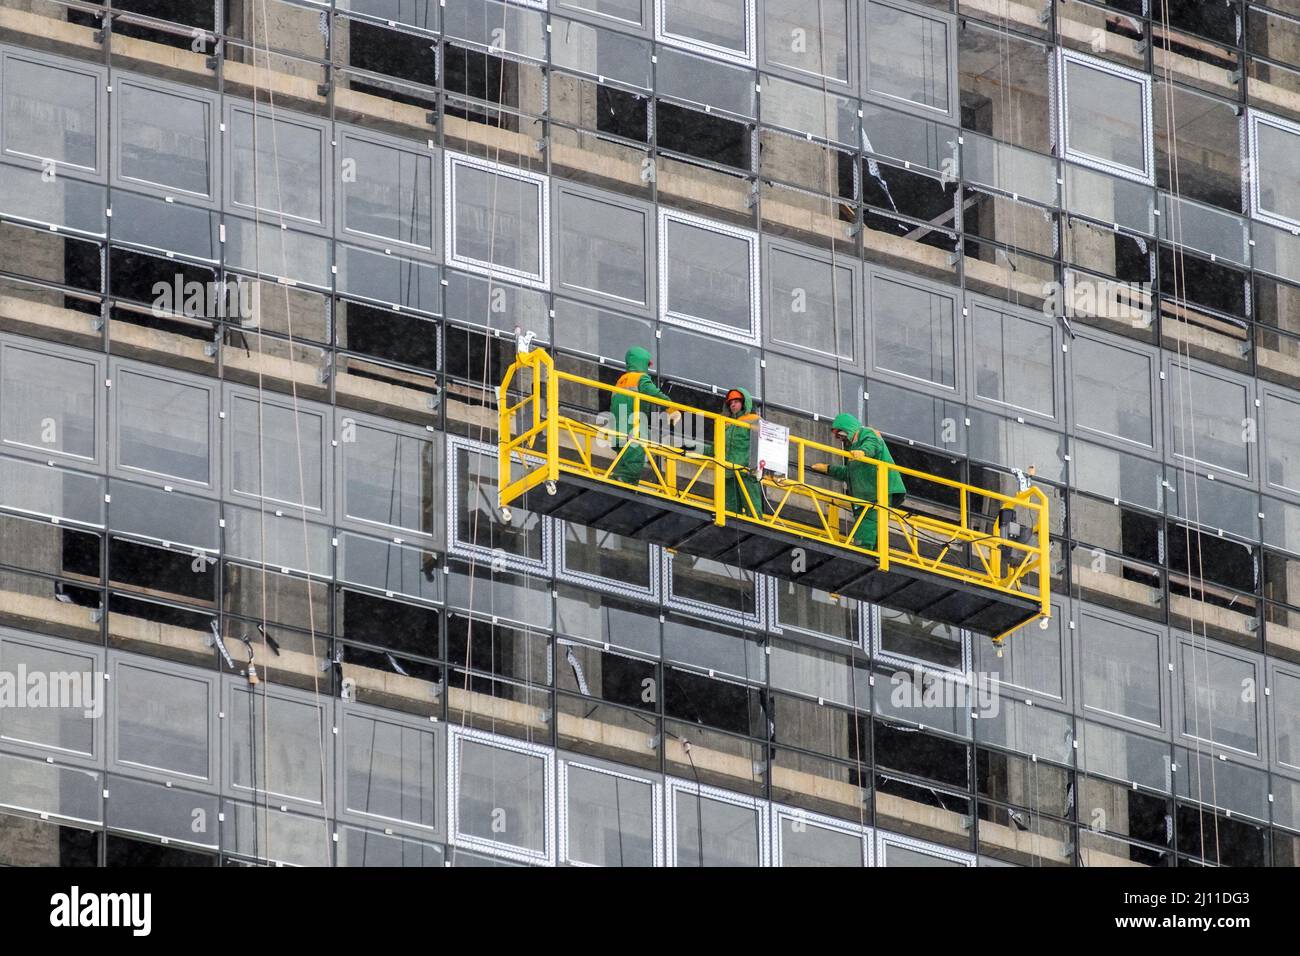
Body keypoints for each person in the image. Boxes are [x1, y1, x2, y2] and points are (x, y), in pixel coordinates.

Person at [810, 413, 906, 551]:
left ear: (847, 430)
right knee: (875, 525)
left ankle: (864, 550)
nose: (840, 440)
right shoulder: (853, 453)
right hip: (868, 495)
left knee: (867, 524)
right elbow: (850, 473)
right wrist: (828, 469)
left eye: (840, 435)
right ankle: (876, 551)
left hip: (878, 492)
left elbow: (872, 444)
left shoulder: (866, 433)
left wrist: (863, 451)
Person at [609, 346, 679, 485]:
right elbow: (655, 394)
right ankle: (628, 482)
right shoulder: (640, 378)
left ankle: (617, 478)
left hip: (617, 427)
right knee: (636, 455)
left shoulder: (620, 381)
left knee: (623, 458)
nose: (648, 368)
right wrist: (672, 408)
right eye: (647, 365)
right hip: (633, 426)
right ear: (642, 363)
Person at [712, 387, 764, 517]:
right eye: (730, 402)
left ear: (744, 402)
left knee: (753, 509)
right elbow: (716, 448)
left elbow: (761, 445)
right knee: (729, 512)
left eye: (736, 401)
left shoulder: (754, 420)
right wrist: (692, 448)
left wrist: (757, 468)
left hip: (746, 472)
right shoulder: (727, 424)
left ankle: (757, 529)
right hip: (728, 473)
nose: (733, 405)